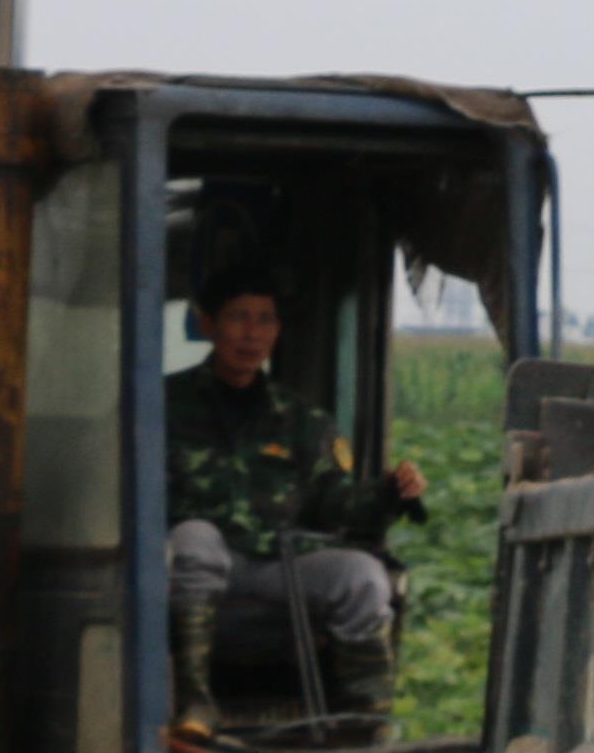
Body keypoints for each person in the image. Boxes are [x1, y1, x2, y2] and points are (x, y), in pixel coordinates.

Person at [165, 274, 427, 727]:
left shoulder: (299, 419)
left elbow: (335, 503)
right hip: (182, 569)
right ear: (209, 325)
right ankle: (194, 702)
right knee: (195, 538)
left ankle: (364, 722)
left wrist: (389, 492)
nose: (252, 333)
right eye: (239, 319)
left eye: (265, 320)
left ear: (278, 331)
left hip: (273, 564)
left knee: (361, 576)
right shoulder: (163, 402)